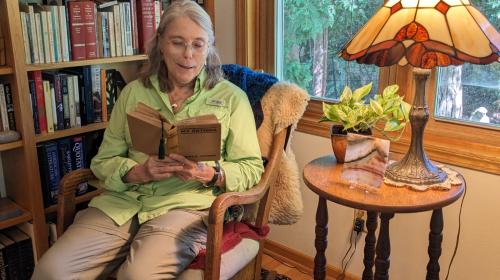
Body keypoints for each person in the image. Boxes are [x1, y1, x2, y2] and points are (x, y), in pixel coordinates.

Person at [32, 1, 264, 279]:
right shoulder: (133, 93)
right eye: (177, 43)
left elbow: (252, 167)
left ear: (210, 47)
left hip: (185, 206)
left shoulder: (231, 99)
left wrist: (210, 174)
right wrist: (135, 172)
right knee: (50, 270)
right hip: (122, 203)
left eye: (198, 45)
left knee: (136, 276)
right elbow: (103, 160)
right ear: (161, 44)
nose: (188, 55)